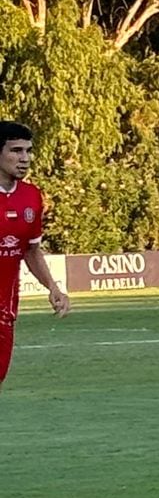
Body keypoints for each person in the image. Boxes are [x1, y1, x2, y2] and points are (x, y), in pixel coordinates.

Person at [0, 121, 72, 392]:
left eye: (28, 151)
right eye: (16, 151)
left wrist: (53, 288)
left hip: (5, 311)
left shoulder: (31, 197)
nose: (25, 159)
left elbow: (30, 249)